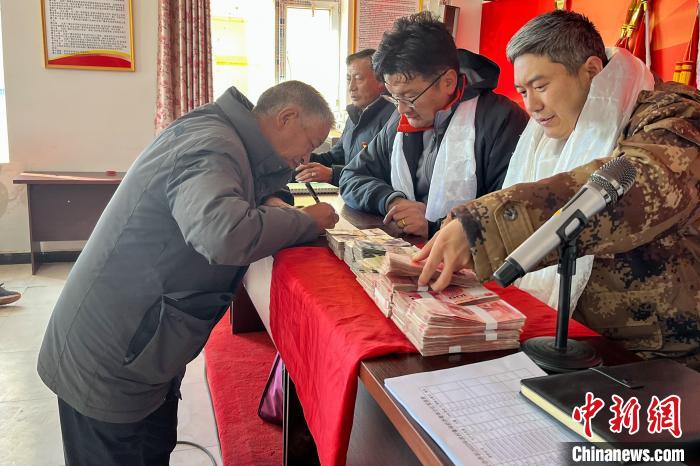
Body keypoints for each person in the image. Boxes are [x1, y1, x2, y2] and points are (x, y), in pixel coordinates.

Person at [37, 80, 340, 465]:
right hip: (112, 358)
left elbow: (252, 183)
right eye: (310, 143)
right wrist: (305, 220)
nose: (306, 158)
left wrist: (274, 200)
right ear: (287, 117)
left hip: (145, 350)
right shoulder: (212, 144)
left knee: (152, 450)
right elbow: (222, 234)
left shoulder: (229, 137)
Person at [416, 11, 700, 365]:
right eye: (523, 91)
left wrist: (484, 227)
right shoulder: (549, 132)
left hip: (654, 354)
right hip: (565, 335)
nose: (531, 106)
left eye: (541, 86)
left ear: (591, 71)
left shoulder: (673, 118)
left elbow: (635, 187)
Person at [340, 12, 528, 238]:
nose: (401, 109)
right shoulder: (400, 121)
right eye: (394, 98)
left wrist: (433, 226)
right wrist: (392, 201)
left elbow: (513, 212)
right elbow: (351, 176)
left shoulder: (501, 120)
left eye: (409, 97)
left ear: (448, 81)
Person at [295, 49, 395, 186]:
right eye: (349, 79)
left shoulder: (393, 118)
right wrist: (300, 157)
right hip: (350, 193)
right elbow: (335, 158)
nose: (351, 87)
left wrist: (333, 175)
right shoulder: (354, 116)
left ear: (381, 81)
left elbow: (387, 173)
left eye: (359, 79)